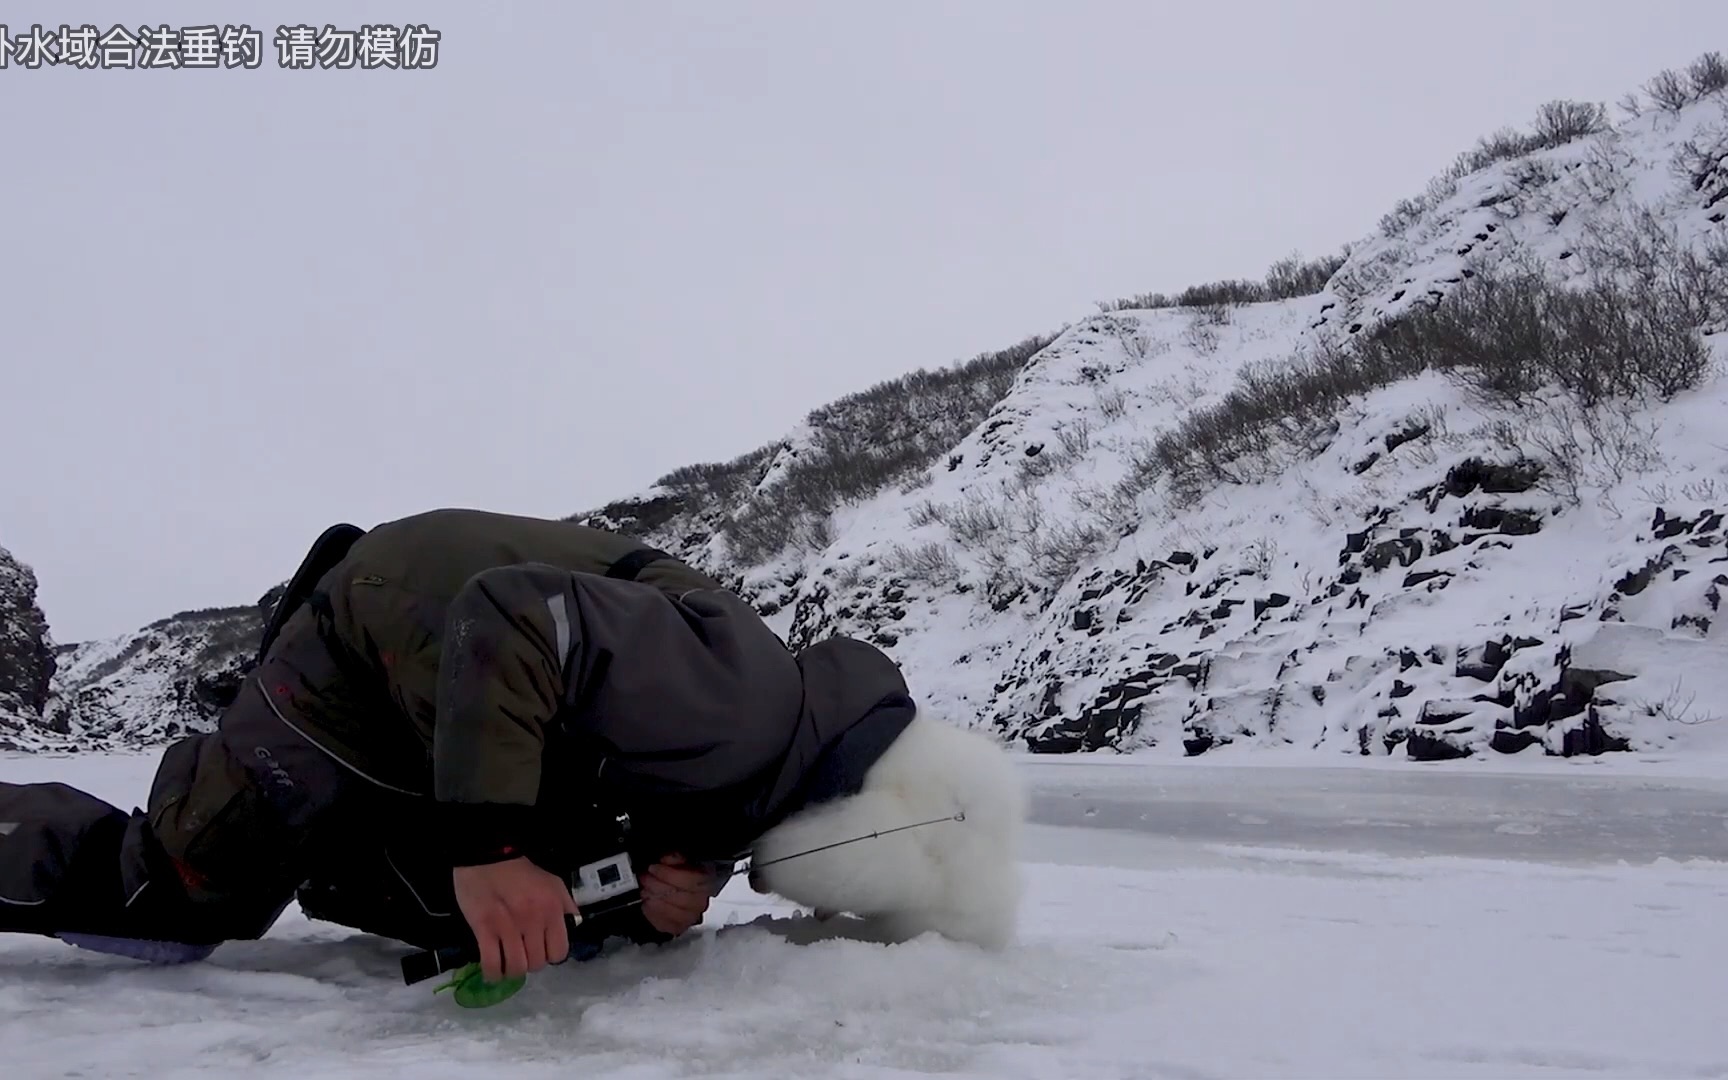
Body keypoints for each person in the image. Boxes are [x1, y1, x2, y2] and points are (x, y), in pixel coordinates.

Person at [0, 508, 1025, 986]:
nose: (818, 903)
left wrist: (689, 876)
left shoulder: (767, 750)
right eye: (850, 895)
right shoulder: (746, 699)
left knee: (555, 901)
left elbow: (633, 759)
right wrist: (490, 852)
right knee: (178, 893)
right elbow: (518, 616)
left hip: (434, 681)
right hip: (373, 646)